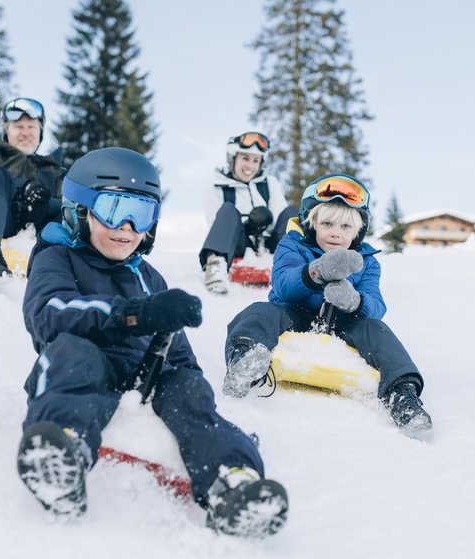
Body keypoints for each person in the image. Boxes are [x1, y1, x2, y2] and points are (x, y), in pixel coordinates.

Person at [16, 147, 288, 538]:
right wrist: (135, 315)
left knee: (191, 390)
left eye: (140, 214)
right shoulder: (56, 258)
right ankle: (60, 456)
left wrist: (179, 358)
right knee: (74, 355)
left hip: (148, 375)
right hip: (82, 364)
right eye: (112, 209)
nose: (126, 226)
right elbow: (49, 313)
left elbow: (180, 357)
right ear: (79, 209)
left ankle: (233, 482)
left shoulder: (149, 275)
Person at [221, 174, 433, 437]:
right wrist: (315, 272)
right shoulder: (293, 244)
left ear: (358, 232)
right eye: (328, 223)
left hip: (344, 322)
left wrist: (355, 303)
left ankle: (403, 396)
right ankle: (244, 360)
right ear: (312, 223)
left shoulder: (367, 261)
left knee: (377, 331)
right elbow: (283, 283)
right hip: (293, 312)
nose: (335, 232)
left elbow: (376, 304)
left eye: (346, 226)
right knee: (257, 313)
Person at [0, 97, 63, 283]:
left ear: (40, 132)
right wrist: (22, 191)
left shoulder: (53, 170)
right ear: (7, 130)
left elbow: (66, 206)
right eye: (18, 127)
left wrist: (43, 205)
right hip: (1, 221)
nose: (25, 133)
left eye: (31, 127)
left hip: (41, 236)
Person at [200, 131, 297, 294]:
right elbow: (216, 225)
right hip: (238, 245)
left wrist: (261, 222)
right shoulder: (215, 187)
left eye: (256, 160)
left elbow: (281, 217)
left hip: (272, 246)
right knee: (228, 209)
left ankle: (298, 266)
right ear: (233, 158)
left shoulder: (269, 184)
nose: (250, 166)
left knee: (291, 213)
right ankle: (216, 265)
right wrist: (248, 226)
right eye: (245, 158)